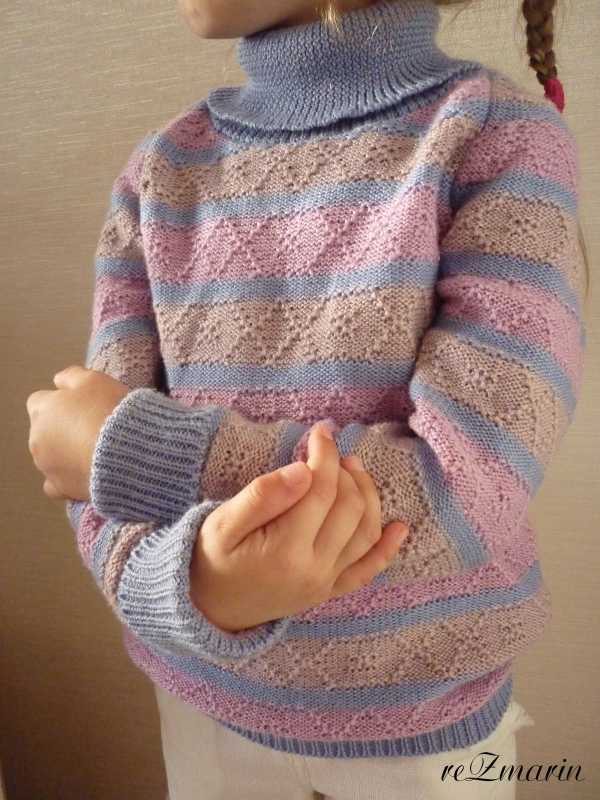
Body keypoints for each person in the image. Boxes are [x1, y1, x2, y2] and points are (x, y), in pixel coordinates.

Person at [25, 0, 588, 797]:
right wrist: (190, 588)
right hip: (201, 701)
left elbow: (466, 488)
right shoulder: (158, 172)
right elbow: (94, 484)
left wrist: (136, 450)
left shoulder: (497, 140)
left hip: (423, 733)